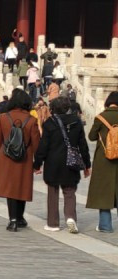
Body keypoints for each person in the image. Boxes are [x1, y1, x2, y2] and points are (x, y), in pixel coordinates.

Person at [34, 96, 91, 233]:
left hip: (53, 162)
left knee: (53, 192)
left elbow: (43, 146)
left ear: (53, 108)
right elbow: (83, 145)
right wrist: (87, 165)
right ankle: (70, 217)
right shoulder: (76, 121)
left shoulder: (49, 123)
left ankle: (53, 223)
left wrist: (37, 164)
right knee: (70, 191)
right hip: (71, 161)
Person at [0, 88, 41, 231]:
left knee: (10, 188)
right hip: (24, 157)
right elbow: (36, 144)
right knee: (21, 187)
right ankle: (20, 217)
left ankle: (12, 219)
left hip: (6, 156)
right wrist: (37, 163)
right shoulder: (31, 120)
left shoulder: (3, 117)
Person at [86, 91, 118, 232]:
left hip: (104, 159)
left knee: (104, 191)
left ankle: (105, 225)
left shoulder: (101, 117)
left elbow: (92, 136)